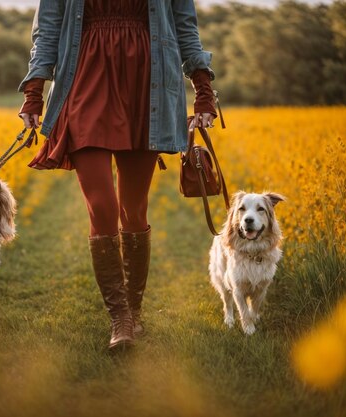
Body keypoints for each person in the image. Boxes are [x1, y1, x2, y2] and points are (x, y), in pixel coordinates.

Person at [18, 0, 217, 350]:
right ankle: (120, 318)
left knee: (134, 210)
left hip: (148, 85)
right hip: (84, 81)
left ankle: (134, 311)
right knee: (102, 207)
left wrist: (203, 90)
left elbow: (185, 26)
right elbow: (47, 29)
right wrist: (34, 91)